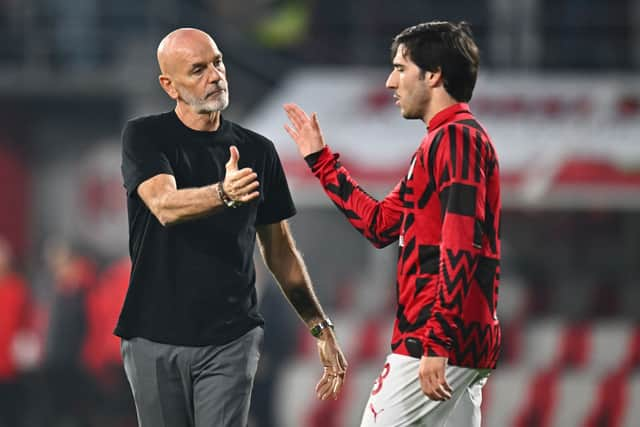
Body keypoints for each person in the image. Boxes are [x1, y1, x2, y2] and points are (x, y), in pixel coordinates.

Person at [115, 27, 347, 427]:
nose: (215, 75)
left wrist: (319, 325)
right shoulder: (145, 136)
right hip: (153, 335)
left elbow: (279, 251)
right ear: (169, 85)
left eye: (218, 62)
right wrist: (223, 194)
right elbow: (165, 206)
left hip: (231, 338)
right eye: (198, 69)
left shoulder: (258, 150)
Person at [284, 21, 501, 426]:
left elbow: (460, 242)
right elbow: (381, 225)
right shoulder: (441, 142)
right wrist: (322, 161)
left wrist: (436, 339)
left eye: (401, 68)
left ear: (433, 75)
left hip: (435, 338)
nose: (390, 81)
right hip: (456, 339)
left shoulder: (456, 139)